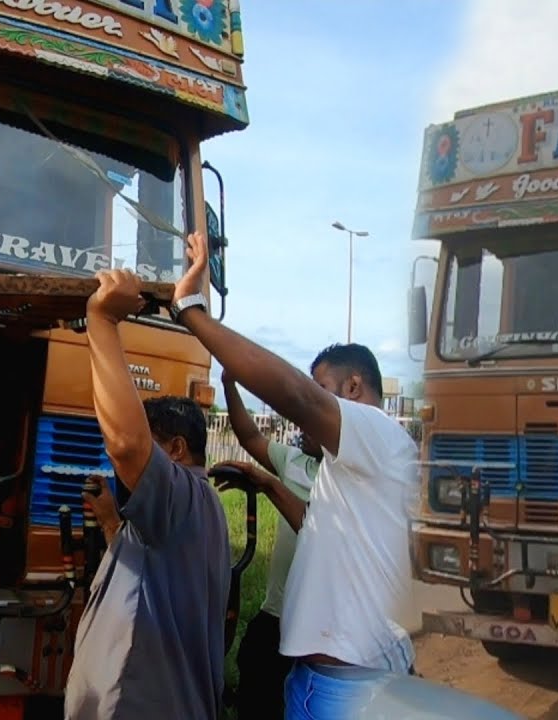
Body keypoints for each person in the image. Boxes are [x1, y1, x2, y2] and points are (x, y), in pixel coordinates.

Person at [172, 232, 418, 720]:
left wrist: (191, 312)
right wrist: (266, 483)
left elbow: (296, 398)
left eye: (324, 388)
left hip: (354, 686)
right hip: (324, 679)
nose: (315, 401)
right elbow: (317, 526)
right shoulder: (350, 462)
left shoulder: (376, 433)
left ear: (353, 386)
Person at [63, 268, 231, 720]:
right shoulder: (185, 512)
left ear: (175, 450)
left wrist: (101, 320)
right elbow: (155, 576)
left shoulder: (183, 497)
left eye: (155, 444)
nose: (130, 470)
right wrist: (112, 523)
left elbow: (127, 444)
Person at [221, 371, 319, 718]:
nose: (302, 425)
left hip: (318, 624)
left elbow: (318, 528)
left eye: (312, 419)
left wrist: (267, 484)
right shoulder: (292, 462)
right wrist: (229, 385)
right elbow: (248, 435)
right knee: (256, 687)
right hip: (275, 614)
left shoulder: (348, 478)